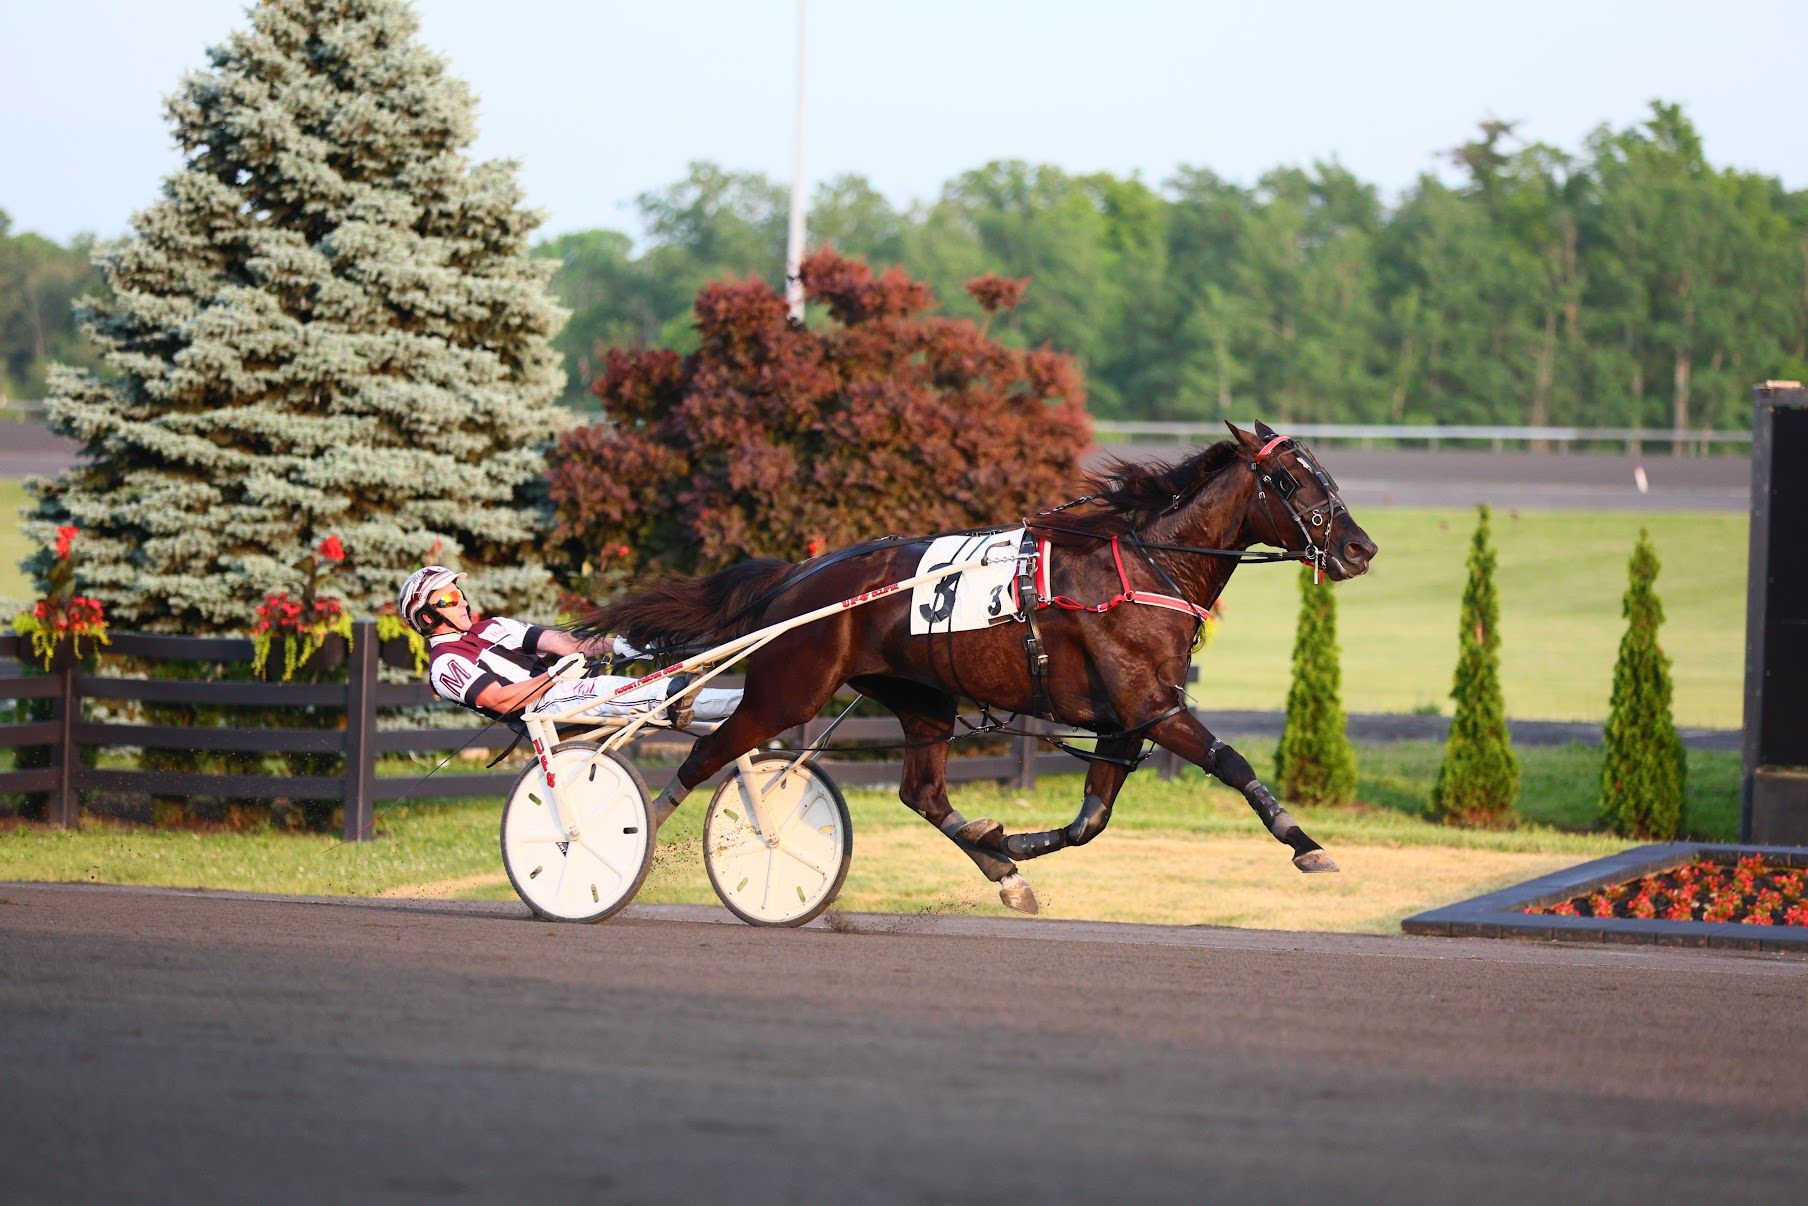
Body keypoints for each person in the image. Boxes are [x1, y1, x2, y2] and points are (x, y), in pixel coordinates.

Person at [397, 565, 740, 729]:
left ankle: (734, 707)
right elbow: (499, 700)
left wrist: (620, 645)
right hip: (541, 707)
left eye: (459, 594)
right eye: (448, 598)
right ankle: (737, 703)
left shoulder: (494, 627)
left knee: (623, 683)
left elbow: (564, 642)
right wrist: (553, 678)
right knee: (613, 689)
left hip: (562, 689)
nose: (462, 602)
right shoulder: (445, 665)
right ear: (426, 618)